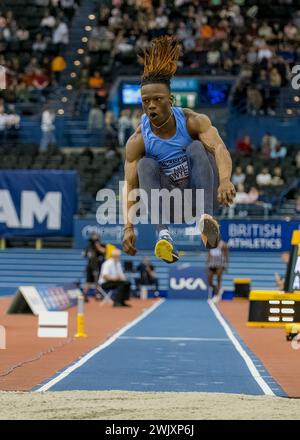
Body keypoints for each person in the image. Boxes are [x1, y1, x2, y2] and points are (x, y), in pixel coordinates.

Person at [122, 36, 235, 264]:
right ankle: (163, 237)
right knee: (145, 164)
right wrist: (128, 226)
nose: (151, 105)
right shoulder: (137, 138)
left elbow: (220, 148)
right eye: (146, 101)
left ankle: (206, 221)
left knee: (195, 146)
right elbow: (130, 185)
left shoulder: (192, 121)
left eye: (157, 99)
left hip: (199, 193)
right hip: (168, 201)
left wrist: (225, 180)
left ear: (170, 100)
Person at [83, 232, 106, 302]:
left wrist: (98, 246)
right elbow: (84, 254)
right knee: (88, 282)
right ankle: (84, 295)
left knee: (97, 282)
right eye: (93, 236)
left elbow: (104, 251)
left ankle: (97, 295)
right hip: (90, 266)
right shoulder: (89, 246)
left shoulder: (101, 245)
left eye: (96, 237)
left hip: (98, 266)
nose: (95, 238)